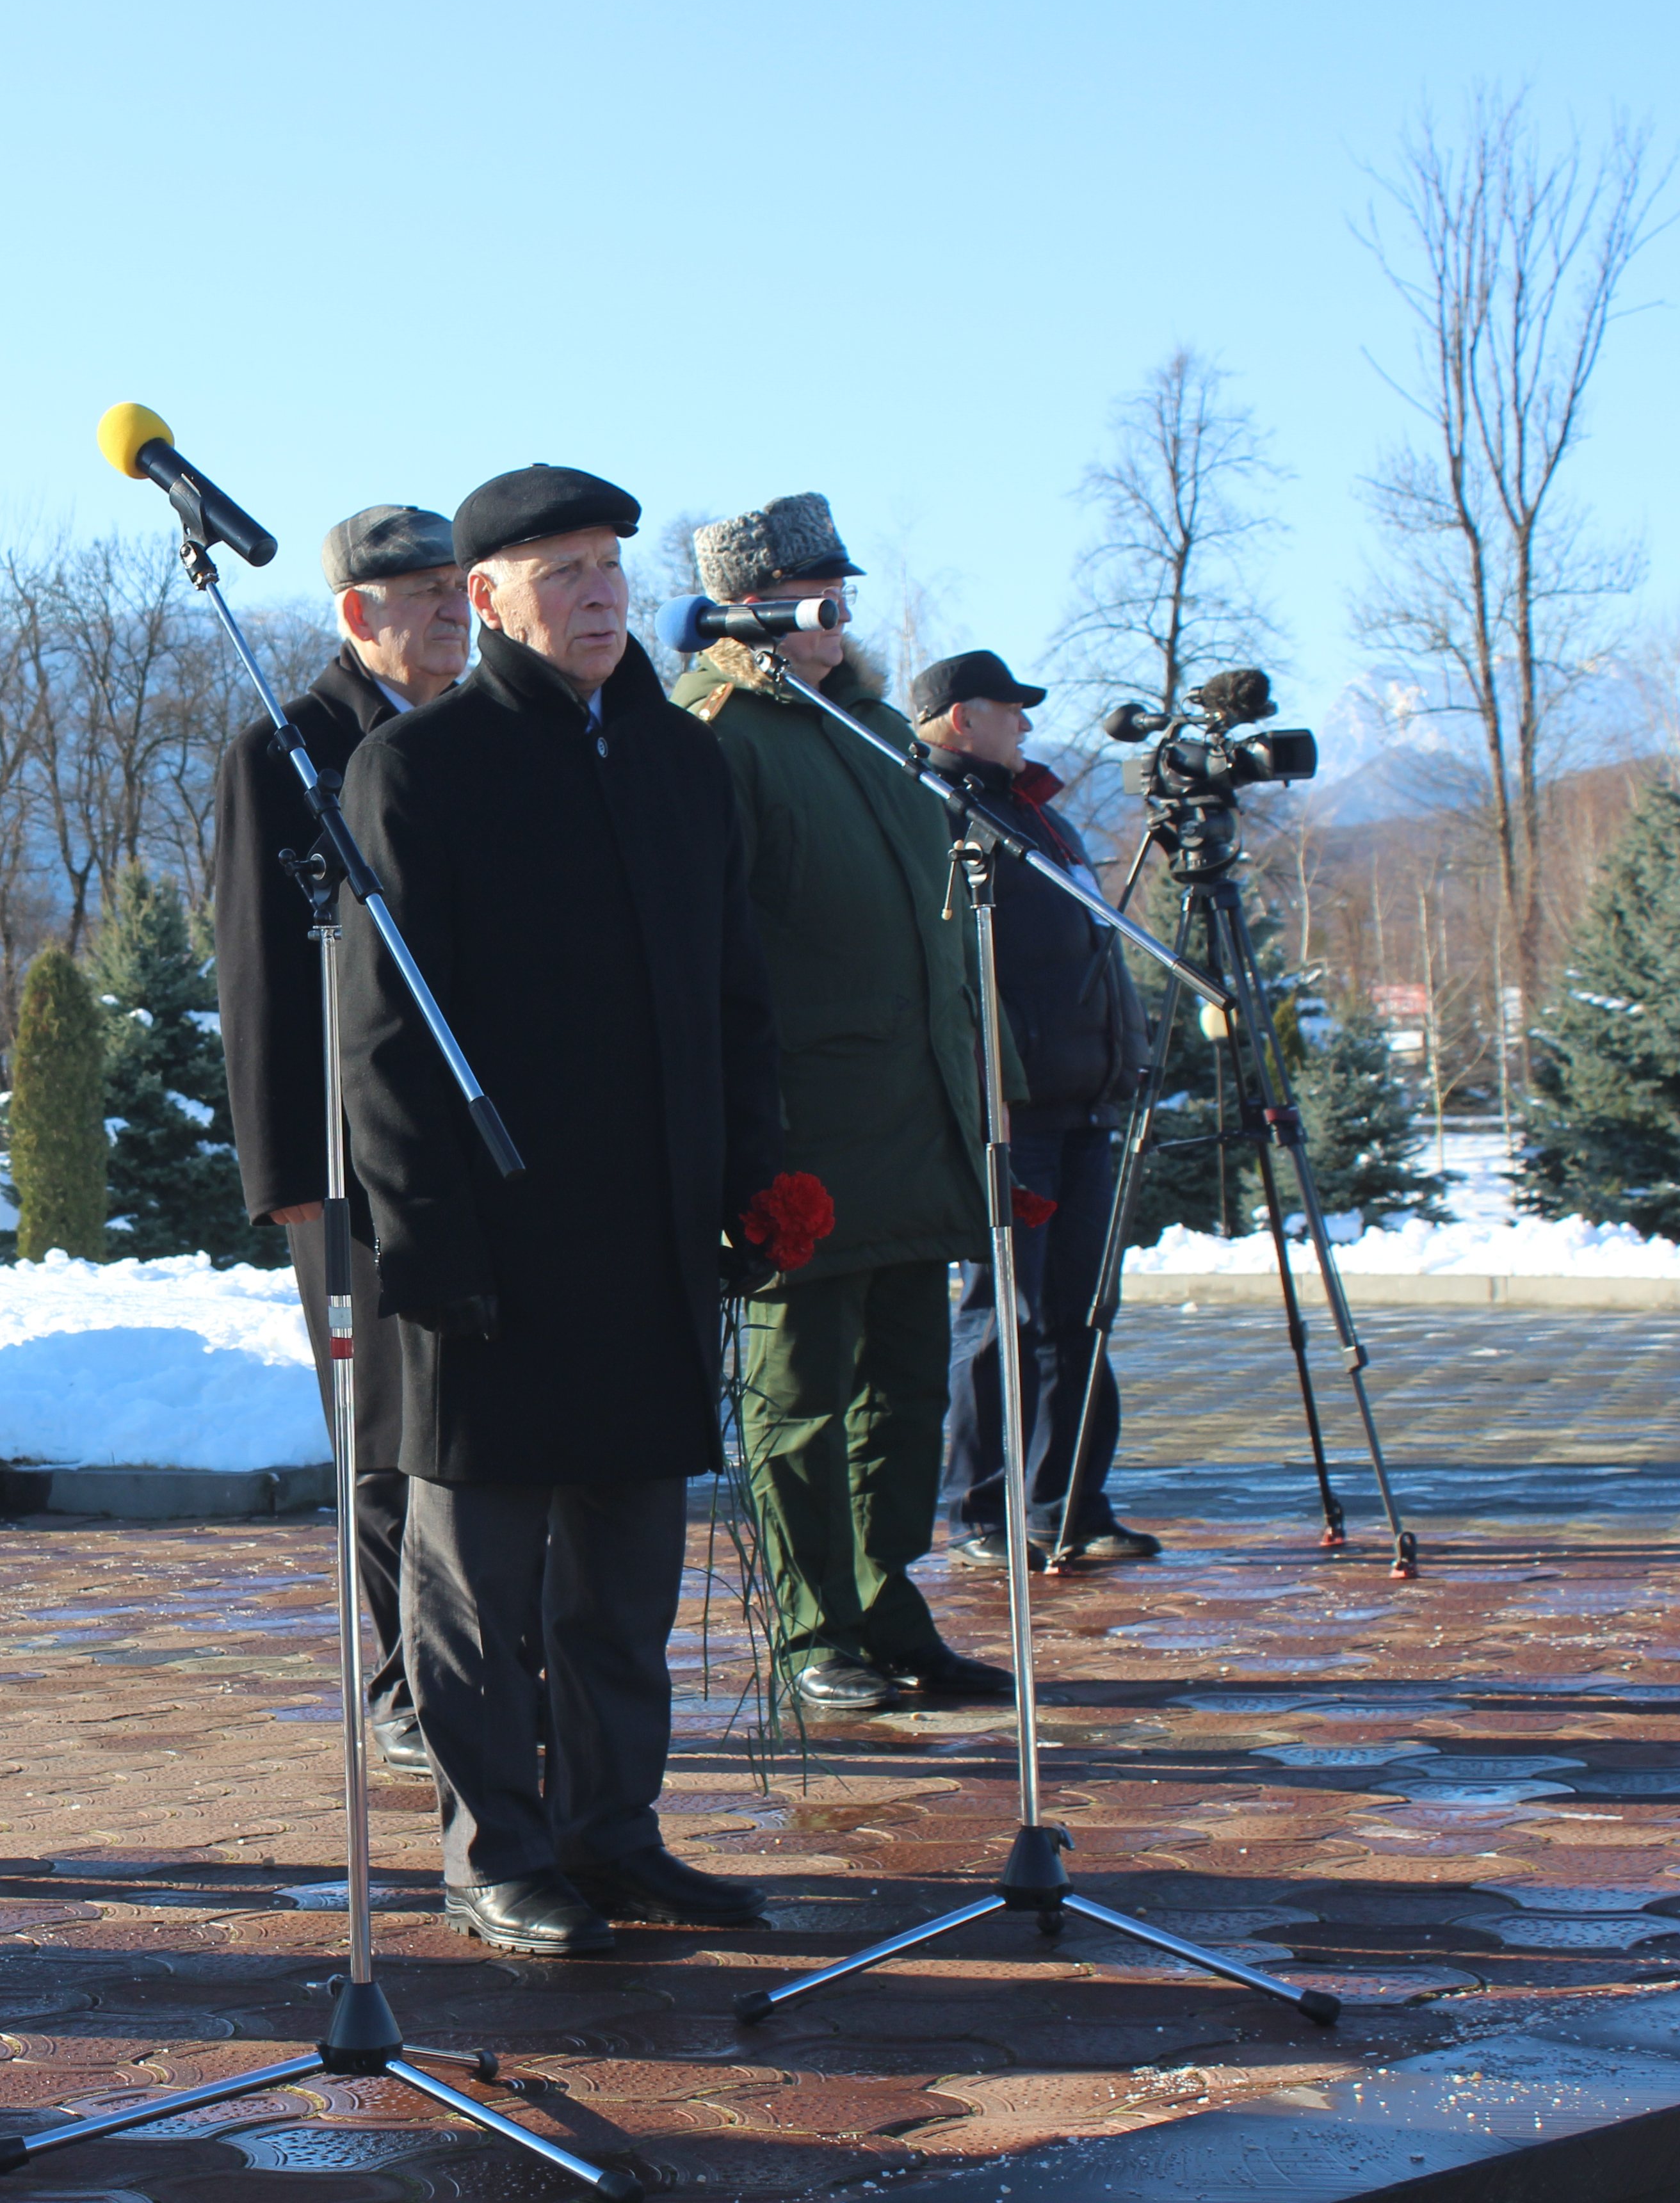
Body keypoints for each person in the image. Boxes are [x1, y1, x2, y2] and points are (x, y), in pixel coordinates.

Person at [338, 467, 786, 1957]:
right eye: (562, 573)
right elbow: (383, 1042)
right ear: (487, 599)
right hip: (493, 1246)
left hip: (652, 1238)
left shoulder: (679, 760)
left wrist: (757, 1177)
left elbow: (735, 993)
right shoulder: (421, 767)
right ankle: (497, 1853)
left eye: (608, 567)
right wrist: (426, 1240)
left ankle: (614, 1833)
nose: (599, 595)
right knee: (478, 1586)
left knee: (625, 1574)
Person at [671, 494, 1012, 1715]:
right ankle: (816, 1627)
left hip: (915, 1119)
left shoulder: (871, 728)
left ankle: (886, 1602)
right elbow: (706, 953)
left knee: (907, 1391)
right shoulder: (716, 736)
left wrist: (988, 1090)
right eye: (811, 596)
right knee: (800, 1398)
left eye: (841, 592)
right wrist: (740, 1137)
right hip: (805, 1131)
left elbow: (941, 938)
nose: (837, 614)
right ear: (745, 611)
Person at [211, 504, 469, 1779]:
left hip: (478, 1139)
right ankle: (405, 1677)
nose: (452, 610)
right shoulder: (289, 746)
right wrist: (288, 1175)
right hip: (348, 1154)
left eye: (459, 587)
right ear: (358, 613)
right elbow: (259, 967)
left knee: (475, 1423)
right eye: (422, 593)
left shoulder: (483, 737)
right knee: (381, 1430)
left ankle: (487, 1662)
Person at [908, 651, 1159, 1567]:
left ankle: (1069, 1504)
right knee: (999, 1321)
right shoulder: (939, 814)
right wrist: (988, 1090)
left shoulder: (1038, 816)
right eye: (1009, 708)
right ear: (961, 718)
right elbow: (948, 973)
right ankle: (980, 1512)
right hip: (1013, 1114)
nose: (1025, 723)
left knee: (1078, 1316)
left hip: (1085, 1102)